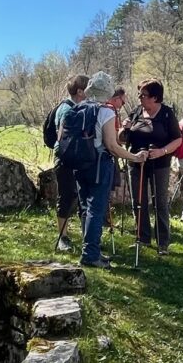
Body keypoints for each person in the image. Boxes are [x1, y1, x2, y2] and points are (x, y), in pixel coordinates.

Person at [74, 72, 147, 269]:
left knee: (85, 208)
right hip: (99, 164)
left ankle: (90, 250)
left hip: (79, 164)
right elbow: (112, 146)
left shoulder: (78, 108)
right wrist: (135, 157)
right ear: (107, 91)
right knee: (96, 210)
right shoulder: (105, 112)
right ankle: (90, 254)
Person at [119, 79, 182, 256]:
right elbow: (121, 139)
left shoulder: (167, 114)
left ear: (155, 97)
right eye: (139, 94)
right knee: (138, 202)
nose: (139, 97)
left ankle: (163, 242)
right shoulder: (136, 112)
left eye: (143, 95)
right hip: (136, 162)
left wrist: (162, 151)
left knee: (159, 202)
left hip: (160, 164)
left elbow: (178, 139)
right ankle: (143, 238)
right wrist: (124, 129)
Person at [51, 74, 89, 253]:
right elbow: (61, 137)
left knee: (81, 199)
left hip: (77, 158)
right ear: (80, 91)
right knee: (66, 197)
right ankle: (62, 237)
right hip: (65, 158)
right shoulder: (67, 109)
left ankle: (86, 237)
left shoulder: (77, 107)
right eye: (88, 88)